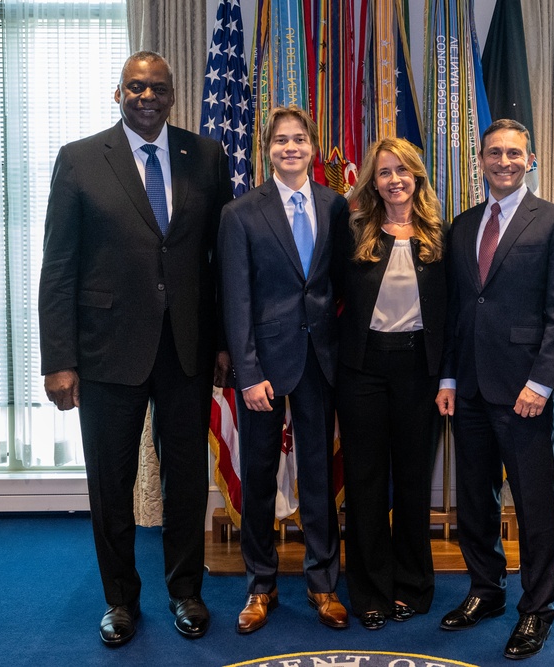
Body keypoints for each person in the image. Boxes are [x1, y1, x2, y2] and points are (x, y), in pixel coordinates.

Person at [38, 51, 233, 646]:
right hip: (105, 353)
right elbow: (59, 267)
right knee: (111, 482)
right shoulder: (78, 160)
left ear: (174, 96)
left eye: (158, 88)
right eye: (136, 87)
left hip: (187, 350)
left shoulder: (205, 156)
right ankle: (120, 600)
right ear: (117, 93)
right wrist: (59, 360)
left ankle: (186, 592)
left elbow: (220, 260)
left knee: (185, 481)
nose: (147, 97)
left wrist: (224, 345)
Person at [435, 119, 554, 660]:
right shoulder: (463, 223)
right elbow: (457, 308)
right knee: (475, 501)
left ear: (532, 159)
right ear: (480, 159)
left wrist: (542, 384)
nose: (504, 161)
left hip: (525, 392)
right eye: (494, 153)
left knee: (534, 506)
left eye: (514, 153)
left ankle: (536, 609)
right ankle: (486, 590)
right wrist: (448, 376)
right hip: (470, 388)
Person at [218, 105, 350, 634]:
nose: (290, 148)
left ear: (313, 148)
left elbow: (341, 286)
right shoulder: (241, 213)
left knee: (319, 477)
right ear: (266, 149)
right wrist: (247, 373)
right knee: (258, 477)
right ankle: (260, 586)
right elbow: (236, 297)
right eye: (280, 141)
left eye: (299, 139)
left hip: (320, 362)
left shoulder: (336, 206)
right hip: (264, 369)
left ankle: (323, 585)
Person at [335, 138, 447, 631]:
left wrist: (449, 376)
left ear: (417, 176)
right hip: (362, 371)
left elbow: (456, 314)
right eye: (384, 172)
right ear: (372, 181)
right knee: (364, 483)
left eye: (403, 171)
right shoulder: (354, 229)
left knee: (413, 481)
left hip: (420, 371)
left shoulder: (441, 235)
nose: (394, 179)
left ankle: (413, 586)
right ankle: (370, 592)